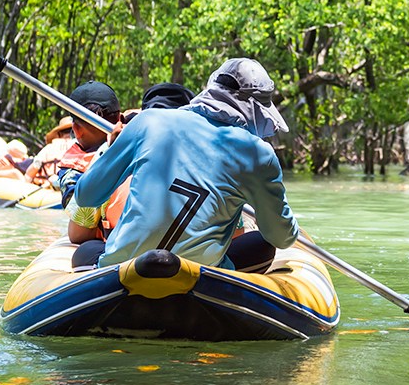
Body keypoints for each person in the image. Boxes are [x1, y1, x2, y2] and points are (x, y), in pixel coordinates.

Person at [69, 59, 297, 272]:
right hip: (203, 273)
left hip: (124, 265)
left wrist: (112, 149)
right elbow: (282, 238)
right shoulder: (258, 154)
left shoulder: (147, 121)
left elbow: (86, 195)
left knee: (86, 251)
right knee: (260, 243)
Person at [69, 82, 196, 244]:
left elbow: (77, 234)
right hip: (194, 256)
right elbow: (235, 235)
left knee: (87, 249)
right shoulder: (212, 160)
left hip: (130, 255)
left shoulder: (111, 153)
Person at [51, 81, 121, 206]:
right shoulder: (72, 171)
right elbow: (77, 208)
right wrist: (109, 151)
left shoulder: (133, 131)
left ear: (76, 130)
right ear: (119, 119)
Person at [24, 118, 74, 187]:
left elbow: (34, 167)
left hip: (48, 189)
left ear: (59, 134)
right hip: (70, 189)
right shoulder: (81, 147)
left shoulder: (49, 148)